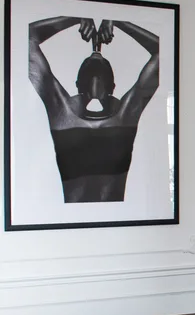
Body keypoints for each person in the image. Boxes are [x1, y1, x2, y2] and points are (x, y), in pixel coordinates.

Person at [28, 16, 159, 203]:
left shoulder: (62, 112)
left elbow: (28, 38)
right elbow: (161, 52)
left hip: (98, 215)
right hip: (103, 215)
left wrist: (79, 18)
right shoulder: (126, 114)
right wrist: (116, 21)